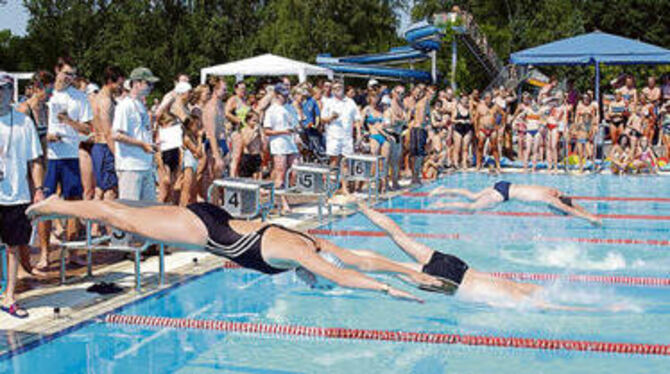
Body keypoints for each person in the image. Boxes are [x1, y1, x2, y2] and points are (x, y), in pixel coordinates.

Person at [27, 197, 438, 303]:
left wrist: (407, 274)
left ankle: (59, 206)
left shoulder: (315, 242)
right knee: (121, 217)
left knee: (127, 213)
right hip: (202, 229)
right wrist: (386, 290)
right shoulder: (304, 255)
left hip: (214, 217)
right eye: (316, 276)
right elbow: (344, 275)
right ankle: (51, 208)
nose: (314, 279)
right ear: (314, 264)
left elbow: (361, 260)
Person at [356, 204, 596, 310]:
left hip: (457, 265)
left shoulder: (518, 286)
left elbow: (540, 293)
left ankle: (363, 208)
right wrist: (596, 310)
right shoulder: (516, 294)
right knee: (388, 266)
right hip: (451, 283)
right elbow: (550, 306)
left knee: (399, 236)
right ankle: (338, 257)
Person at [40, 56, 93, 270]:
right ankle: (44, 254)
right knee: (45, 206)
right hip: (49, 157)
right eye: (66, 73)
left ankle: (72, 252)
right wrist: (47, 136)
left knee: (73, 204)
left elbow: (88, 129)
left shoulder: (79, 97)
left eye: (73, 74)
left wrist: (68, 121)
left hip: (70, 156)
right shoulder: (47, 94)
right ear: (57, 70)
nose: (69, 78)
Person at [0, 72, 45, 318]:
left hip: (16, 194)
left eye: (4, 89)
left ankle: (9, 295)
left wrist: (38, 189)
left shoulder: (23, 122)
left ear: (10, 91)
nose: (0, 93)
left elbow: (34, 160)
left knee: (13, 247)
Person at [429, 182, 602, 226]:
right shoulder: (550, 199)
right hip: (503, 195)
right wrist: (589, 219)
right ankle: (442, 205)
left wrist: (591, 214)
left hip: (504, 184)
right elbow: (569, 209)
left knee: (473, 196)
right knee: (471, 208)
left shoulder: (552, 190)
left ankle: (443, 190)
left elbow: (570, 202)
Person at [112, 67, 160, 203]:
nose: (151, 87)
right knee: (129, 212)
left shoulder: (140, 105)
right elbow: (116, 135)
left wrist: (150, 144)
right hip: (130, 167)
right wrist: (142, 144)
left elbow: (141, 133)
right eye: (148, 83)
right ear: (137, 83)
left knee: (149, 211)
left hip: (145, 165)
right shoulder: (125, 106)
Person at [264, 84, 297, 211]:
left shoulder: (288, 108)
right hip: (278, 144)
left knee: (295, 170)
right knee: (280, 173)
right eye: (284, 95)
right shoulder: (271, 110)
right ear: (277, 95)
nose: (286, 97)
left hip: (290, 143)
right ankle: (283, 202)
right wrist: (283, 132)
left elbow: (293, 124)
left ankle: (279, 195)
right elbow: (267, 131)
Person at [239, 111, 263, 179]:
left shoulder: (258, 131)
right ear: (248, 121)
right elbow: (246, 142)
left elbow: (264, 144)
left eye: (257, 121)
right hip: (248, 156)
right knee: (246, 178)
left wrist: (261, 133)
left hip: (257, 155)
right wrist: (253, 132)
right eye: (254, 121)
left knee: (257, 176)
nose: (256, 123)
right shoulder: (244, 130)